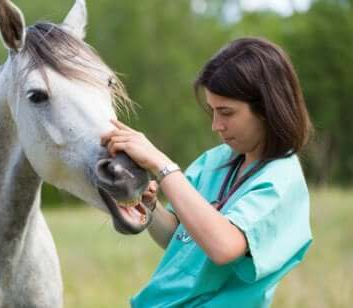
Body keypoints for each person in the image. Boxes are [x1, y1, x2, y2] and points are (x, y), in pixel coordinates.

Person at [101, 37, 313, 308]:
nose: (216, 125)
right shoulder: (217, 160)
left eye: (226, 112)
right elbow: (180, 240)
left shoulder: (281, 180)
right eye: (213, 111)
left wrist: (163, 166)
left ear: (267, 108)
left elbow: (223, 247)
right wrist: (149, 206)